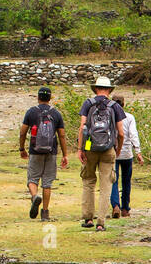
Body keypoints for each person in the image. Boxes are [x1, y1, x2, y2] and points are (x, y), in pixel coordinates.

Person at [78, 75, 126, 231]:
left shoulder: (88, 103)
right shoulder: (115, 106)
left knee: (88, 182)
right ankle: (100, 222)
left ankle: (88, 218)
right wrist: (117, 150)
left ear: (96, 89)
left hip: (90, 147)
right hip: (108, 149)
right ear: (109, 90)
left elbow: (82, 128)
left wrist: (81, 148)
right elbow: (121, 133)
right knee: (106, 185)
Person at [19, 86, 68, 221]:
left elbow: (23, 132)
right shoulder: (56, 114)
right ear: (50, 98)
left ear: (38, 97)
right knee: (47, 183)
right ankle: (45, 213)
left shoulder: (31, 112)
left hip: (35, 150)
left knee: (32, 179)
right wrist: (65, 154)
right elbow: (62, 136)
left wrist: (22, 148)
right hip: (51, 152)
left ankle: (35, 197)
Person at [110, 96, 143, 218]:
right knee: (126, 182)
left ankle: (115, 206)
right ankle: (125, 208)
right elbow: (133, 134)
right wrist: (138, 152)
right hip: (127, 153)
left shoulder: (110, 116)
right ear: (124, 104)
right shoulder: (129, 117)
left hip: (112, 153)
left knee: (113, 180)